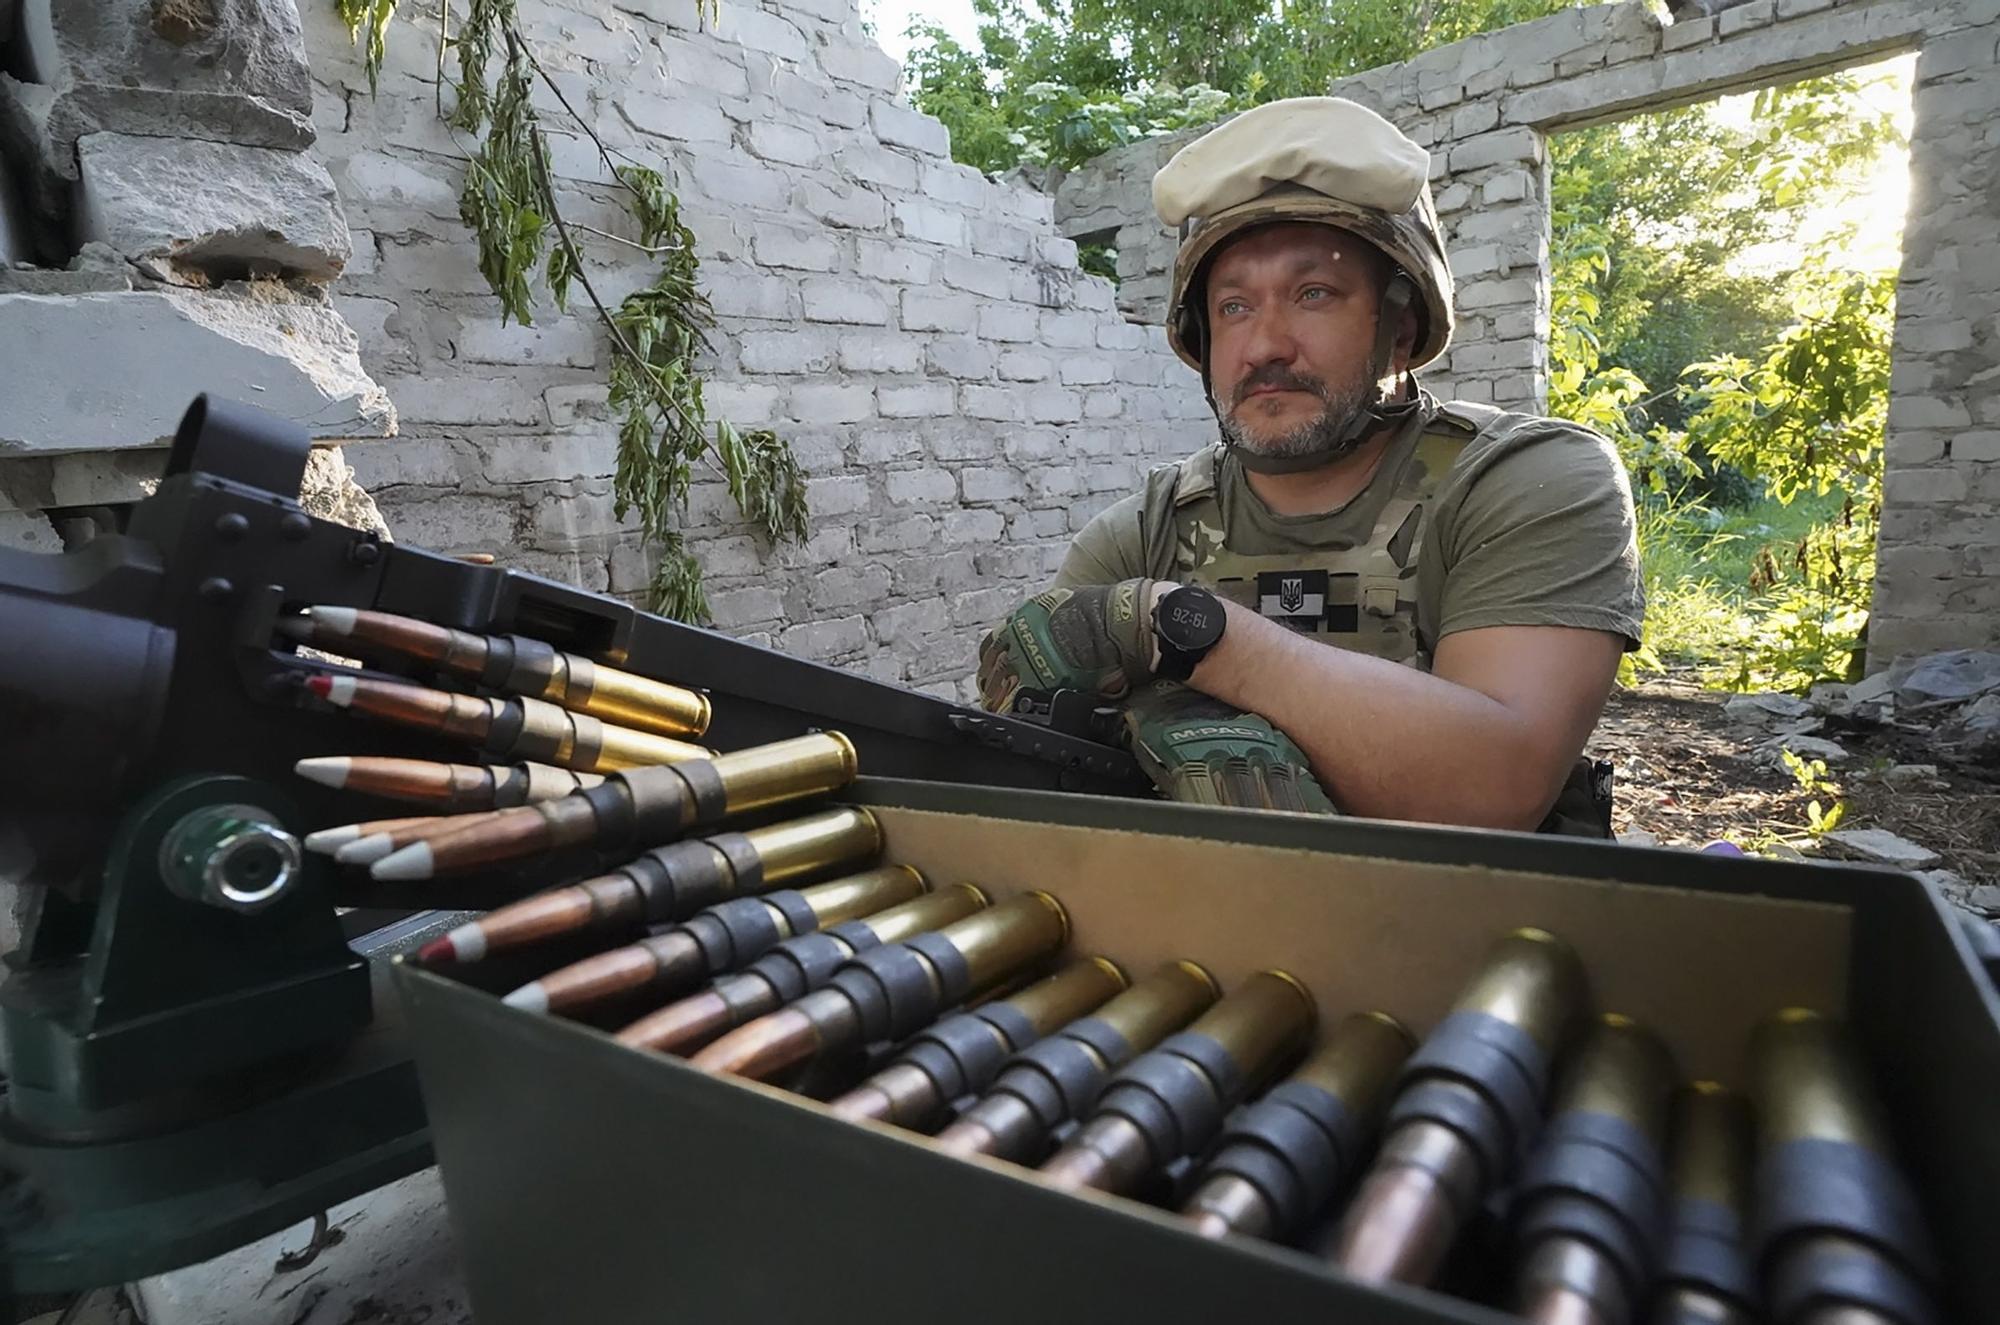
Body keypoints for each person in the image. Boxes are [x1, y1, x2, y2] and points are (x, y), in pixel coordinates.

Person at [975, 97, 1643, 835]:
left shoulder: (1527, 482)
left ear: (1401, 327)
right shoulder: (1149, 527)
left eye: (1312, 293)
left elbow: (1492, 787)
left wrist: (1181, 631)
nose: (1265, 346)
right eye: (1233, 307)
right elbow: (1034, 751)